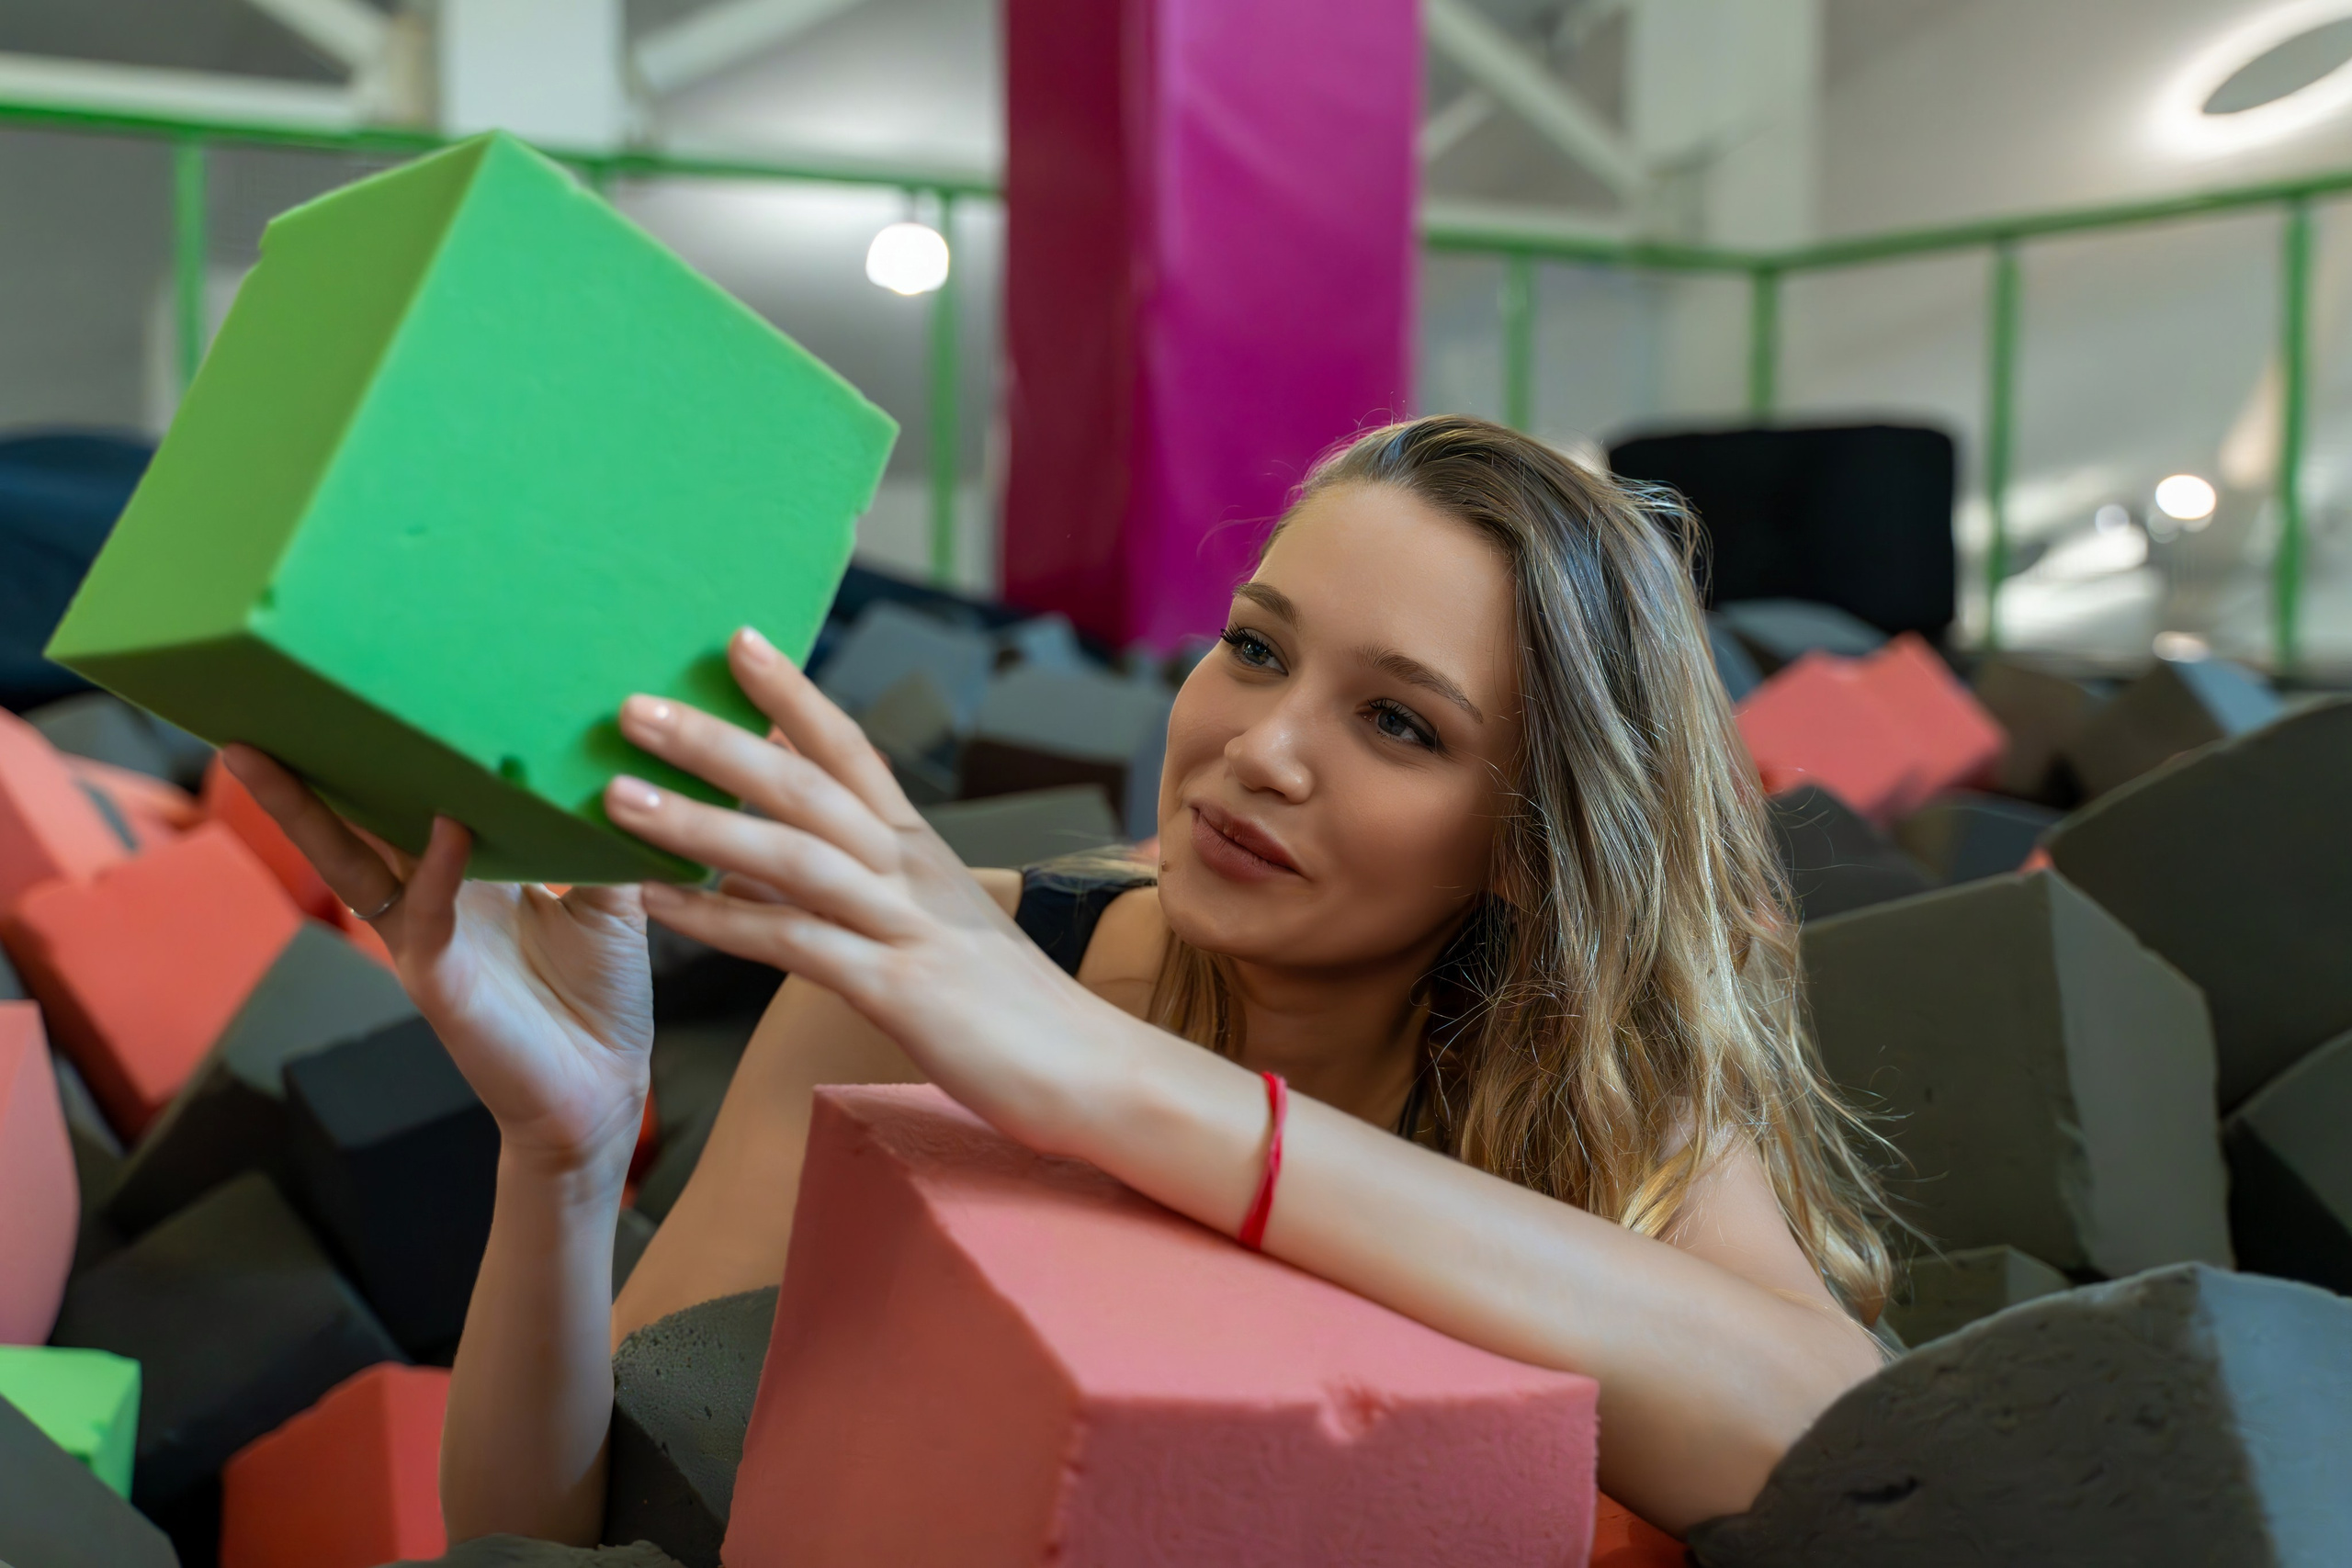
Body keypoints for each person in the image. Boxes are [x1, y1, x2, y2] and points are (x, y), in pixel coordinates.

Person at [227, 414, 1894, 1548]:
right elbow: (551, 1536)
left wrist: (1100, 1087)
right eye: (1255, 648)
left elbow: (1828, 1437)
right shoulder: (951, 970)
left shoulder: (1594, 1069)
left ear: (1531, 841)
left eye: (1399, 723)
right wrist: (570, 1165)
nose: (1263, 752)